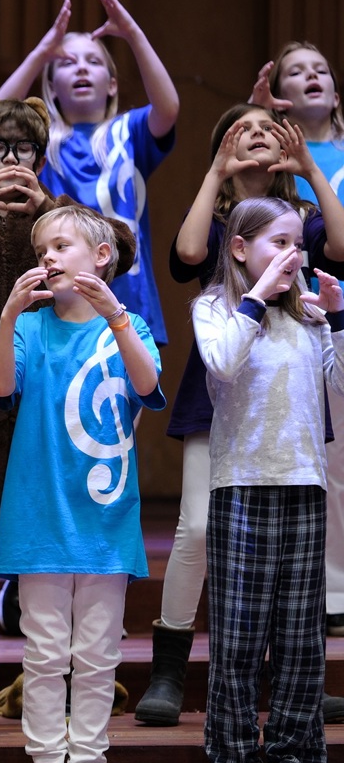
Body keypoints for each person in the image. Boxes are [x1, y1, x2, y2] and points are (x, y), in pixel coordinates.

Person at [139, 105, 344, 726]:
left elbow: (340, 246)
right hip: (224, 377)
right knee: (198, 528)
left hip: (291, 384)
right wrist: (217, 171)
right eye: (241, 128)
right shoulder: (225, 222)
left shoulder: (299, 219)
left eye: (266, 127)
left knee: (296, 542)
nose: (256, 133)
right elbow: (187, 253)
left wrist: (308, 165)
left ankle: (290, 675)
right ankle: (170, 666)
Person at [0, 91, 135, 727]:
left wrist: (47, 208)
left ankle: (57, 680)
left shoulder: (60, 223)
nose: (13, 161)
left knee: (49, 550)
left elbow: (120, 249)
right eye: (0, 149)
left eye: (25, 150)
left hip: (54, 400)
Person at [0, 206, 164, 763]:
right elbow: (1, 385)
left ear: (102, 256)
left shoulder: (129, 326)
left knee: (96, 653)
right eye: (43, 251)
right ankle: (44, 754)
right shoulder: (34, 328)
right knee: (42, 652)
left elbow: (146, 383)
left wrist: (114, 317)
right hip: (39, 514)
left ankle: (88, 754)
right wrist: (10, 316)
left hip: (104, 517)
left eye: (61, 247)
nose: (48, 258)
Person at [194, 196, 344, 763]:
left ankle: (293, 749)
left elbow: (342, 383)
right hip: (242, 485)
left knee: (302, 639)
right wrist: (256, 298)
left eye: (297, 245)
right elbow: (224, 362)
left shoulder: (308, 315)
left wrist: (337, 314)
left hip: (304, 483)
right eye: (278, 244)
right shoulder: (216, 307)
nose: (291, 255)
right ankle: (232, 749)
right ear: (239, 248)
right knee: (238, 636)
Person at [0, 0, 179, 347]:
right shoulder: (42, 138)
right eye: (66, 63)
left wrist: (131, 33)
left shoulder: (130, 131)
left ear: (112, 83)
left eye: (93, 61)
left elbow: (169, 108)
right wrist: (40, 53)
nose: (81, 68)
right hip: (56, 297)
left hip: (127, 292)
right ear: (51, 85)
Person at [250, 41, 344, 643]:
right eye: (295, 72)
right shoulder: (278, 165)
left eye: (321, 70)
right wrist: (258, 114)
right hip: (317, 310)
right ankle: (334, 588)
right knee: (331, 459)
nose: (311, 78)